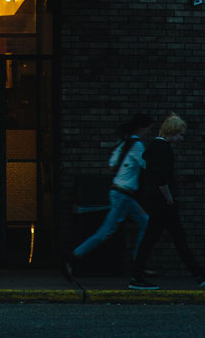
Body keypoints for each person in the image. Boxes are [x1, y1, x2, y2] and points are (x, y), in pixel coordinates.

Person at [128, 114, 205, 290]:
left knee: (167, 238)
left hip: (156, 201)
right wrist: (169, 197)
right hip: (162, 202)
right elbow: (161, 177)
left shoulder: (154, 147)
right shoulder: (163, 148)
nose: (182, 138)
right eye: (180, 134)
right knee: (168, 238)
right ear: (171, 132)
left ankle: (198, 273)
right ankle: (137, 277)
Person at [63, 113, 154, 282]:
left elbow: (111, 166)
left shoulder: (123, 145)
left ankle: (138, 262)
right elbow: (147, 166)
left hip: (120, 192)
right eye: (149, 129)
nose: (150, 132)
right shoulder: (137, 147)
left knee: (146, 223)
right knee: (106, 232)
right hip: (124, 195)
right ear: (142, 128)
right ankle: (72, 257)